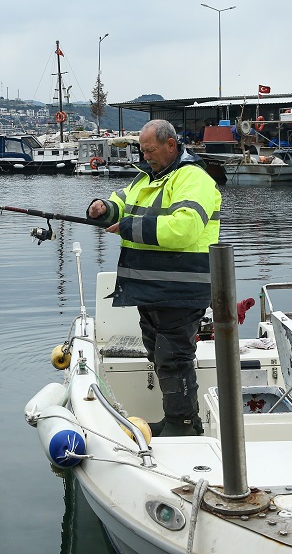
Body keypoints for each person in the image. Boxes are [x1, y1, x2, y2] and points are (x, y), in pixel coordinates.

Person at [86, 119, 221, 436]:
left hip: (181, 288)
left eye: (149, 150)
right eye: (142, 150)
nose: (145, 156)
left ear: (170, 145)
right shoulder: (148, 177)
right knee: (159, 354)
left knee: (173, 357)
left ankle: (185, 424)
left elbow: (184, 228)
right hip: (151, 289)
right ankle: (176, 418)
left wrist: (130, 226)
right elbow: (122, 203)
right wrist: (102, 208)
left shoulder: (194, 178)